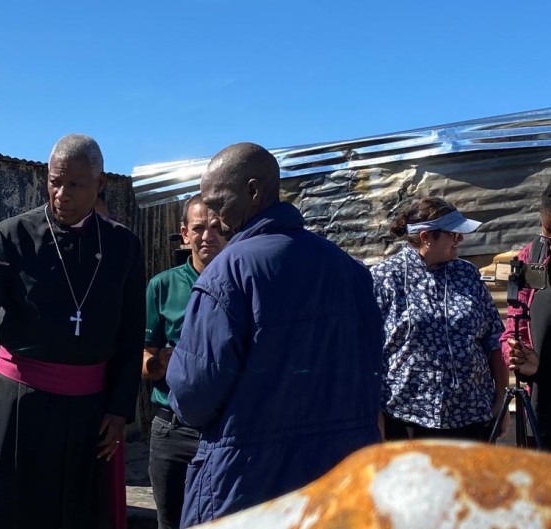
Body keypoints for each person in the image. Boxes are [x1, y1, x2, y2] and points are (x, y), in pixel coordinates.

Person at [166, 142, 384, 523]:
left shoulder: (227, 274)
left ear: (253, 191)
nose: (214, 217)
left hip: (252, 484)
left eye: (218, 202)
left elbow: (192, 397)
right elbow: (373, 368)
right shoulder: (350, 270)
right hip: (340, 479)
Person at [0, 134, 145, 529]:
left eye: (75, 184)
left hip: (89, 412)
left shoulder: (124, 247)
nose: (61, 194)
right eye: (54, 181)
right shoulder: (9, 237)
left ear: (100, 184)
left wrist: (120, 408)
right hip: (17, 405)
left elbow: (131, 332)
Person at [372, 197, 507, 442]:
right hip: (408, 419)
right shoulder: (385, 278)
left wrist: (501, 400)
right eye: (453, 235)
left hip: (473, 416)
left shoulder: (466, 274)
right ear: (426, 237)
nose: (461, 240)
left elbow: (494, 339)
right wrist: (374, 414)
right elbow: (366, 351)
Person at [142, 193, 226, 529]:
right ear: (184, 233)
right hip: (171, 431)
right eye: (199, 228)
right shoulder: (162, 286)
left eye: (217, 227)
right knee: (170, 522)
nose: (208, 235)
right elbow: (145, 362)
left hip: (222, 431)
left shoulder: (242, 281)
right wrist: (165, 362)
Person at [502, 184, 549, 449]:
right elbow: (513, 325)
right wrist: (517, 354)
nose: (547, 239)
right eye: (546, 231)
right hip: (543, 403)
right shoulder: (532, 256)